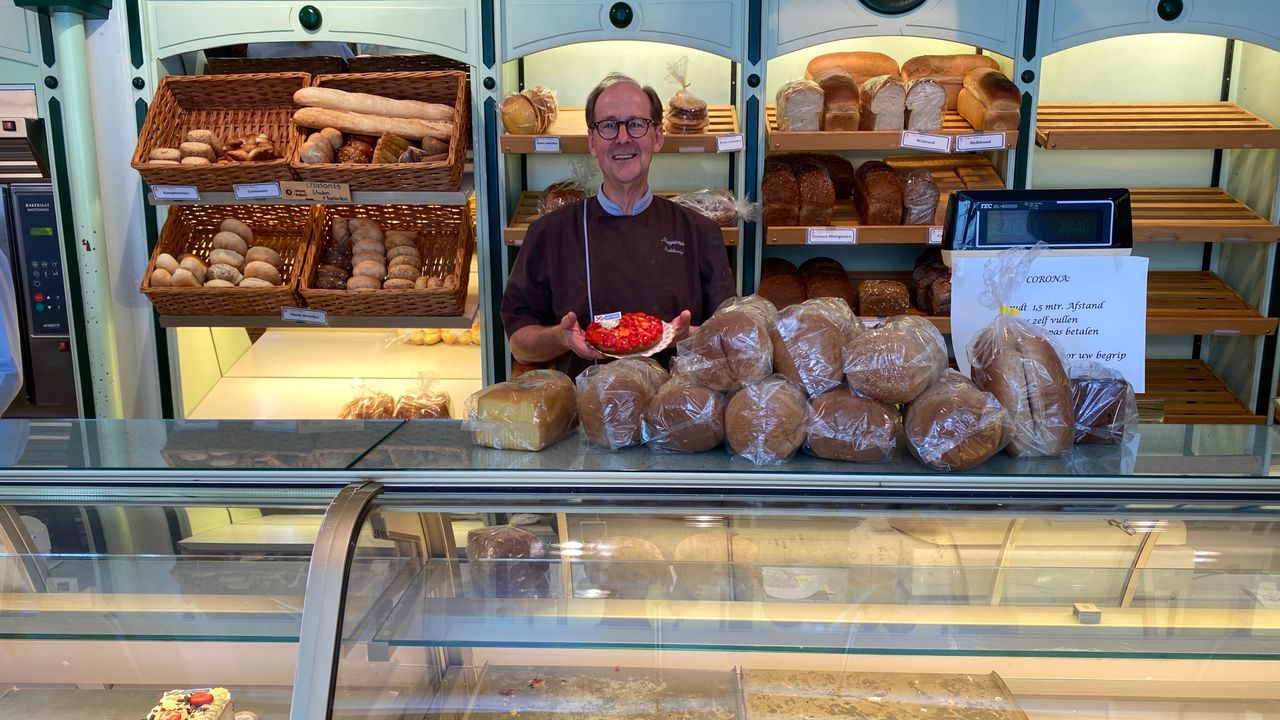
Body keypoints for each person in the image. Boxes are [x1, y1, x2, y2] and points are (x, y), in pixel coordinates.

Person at [501, 73, 736, 378]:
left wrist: (689, 335)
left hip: (676, 415)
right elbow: (519, 344)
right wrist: (560, 339)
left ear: (657, 137)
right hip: (583, 416)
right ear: (592, 142)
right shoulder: (549, 233)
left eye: (636, 124)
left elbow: (732, 338)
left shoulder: (700, 232)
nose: (623, 137)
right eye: (609, 125)